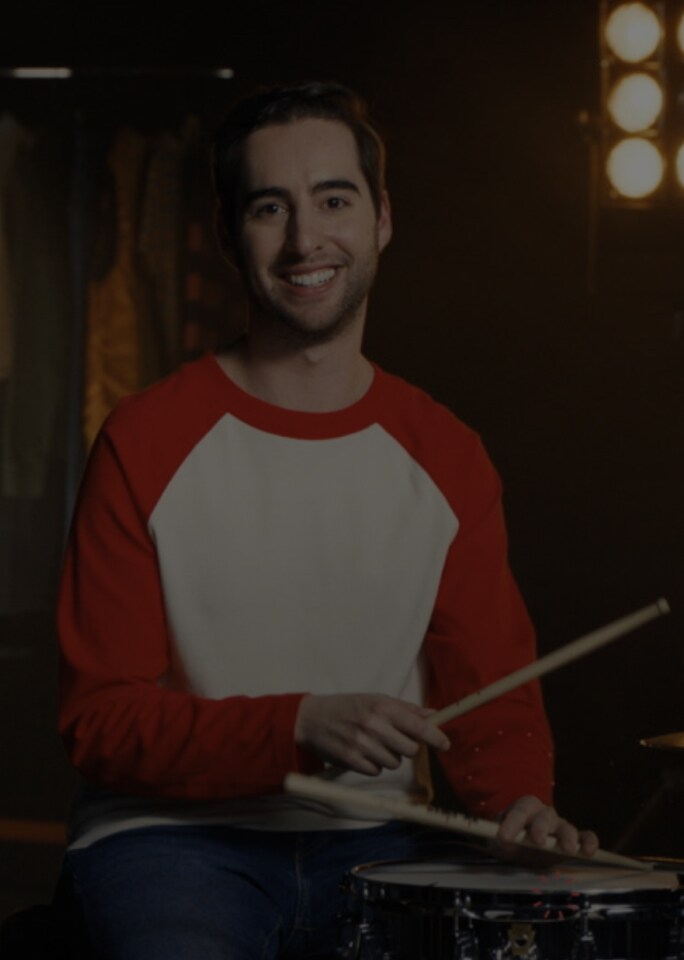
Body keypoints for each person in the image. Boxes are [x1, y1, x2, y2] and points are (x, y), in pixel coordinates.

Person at [56, 81, 598, 959]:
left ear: (381, 218)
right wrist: (297, 724)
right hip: (166, 840)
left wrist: (516, 805)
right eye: (272, 208)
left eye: (334, 200)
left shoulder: (448, 454)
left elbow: (489, 700)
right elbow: (102, 723)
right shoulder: (143, 440)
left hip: (386, 839)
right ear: (230, 234)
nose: (307, 240)